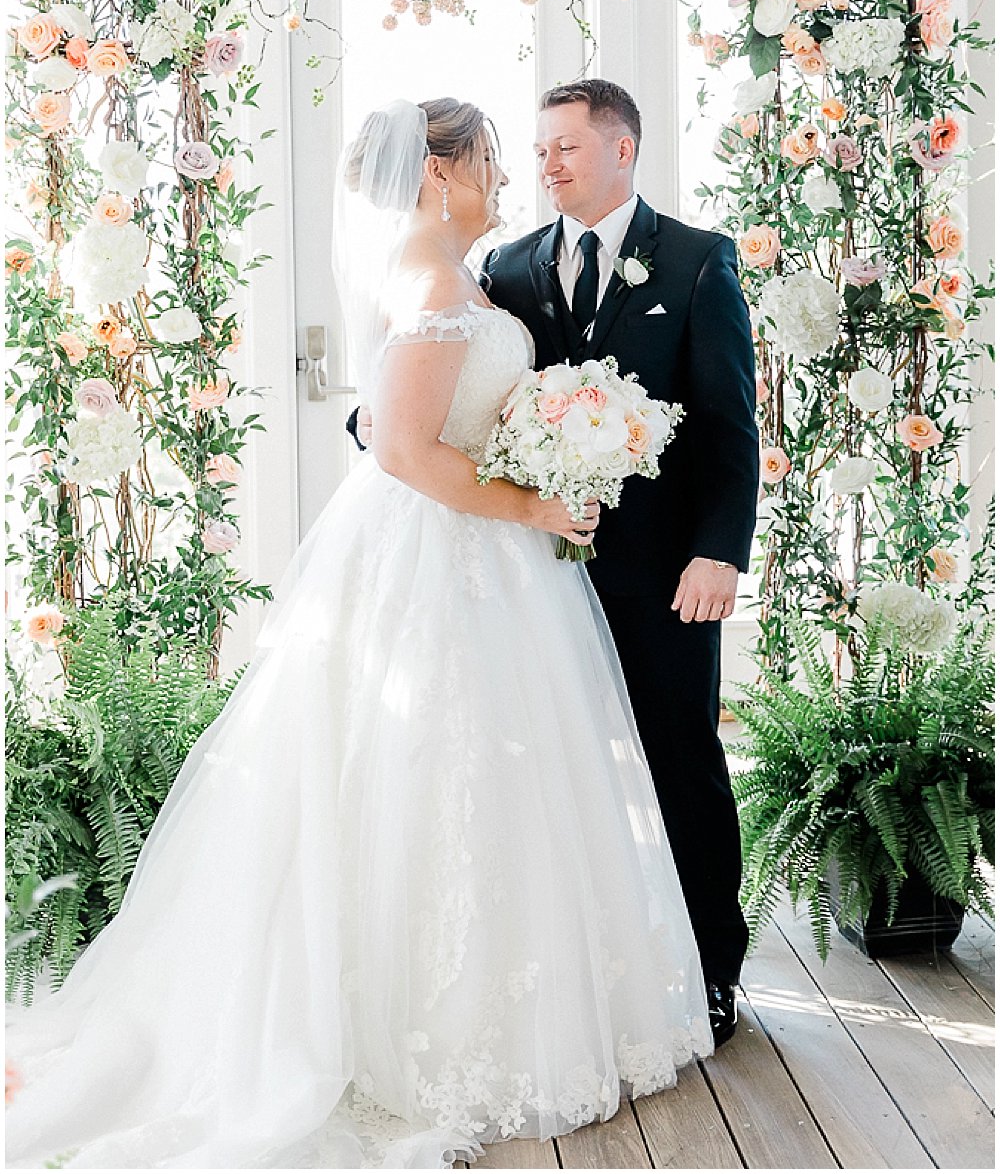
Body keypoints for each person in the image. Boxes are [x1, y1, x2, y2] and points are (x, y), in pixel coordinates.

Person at [6, 98, 712, 1172]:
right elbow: (399, 450)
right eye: (485, 158)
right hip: (446, 553)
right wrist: (529, 507)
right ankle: (419, 1031)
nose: (504, 175)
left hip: (488, 559)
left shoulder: (456, 269)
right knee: (433, 769)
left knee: (491, 777)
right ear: (439, 172)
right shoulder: (431, 278)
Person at [481, 80, 759, 1046]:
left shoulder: (693, 261)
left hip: (665, 577)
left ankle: (714, 973)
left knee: (683, 764)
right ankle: (580, 979)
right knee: (547, 773)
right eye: (540, 148)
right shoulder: (508, 266)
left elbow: (729, 427)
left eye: (564, 146)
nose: (546, 164)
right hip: (536, 574)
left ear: (623, 148)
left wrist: (720, 551)